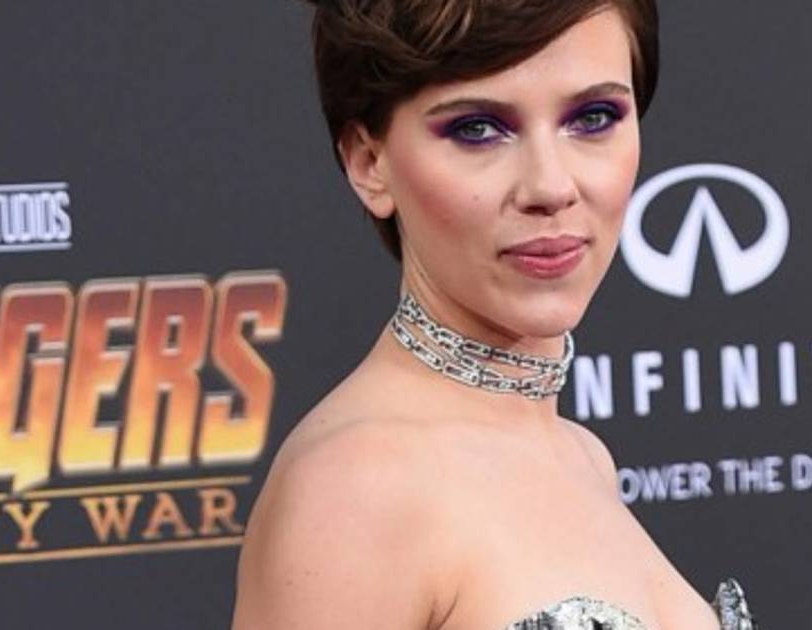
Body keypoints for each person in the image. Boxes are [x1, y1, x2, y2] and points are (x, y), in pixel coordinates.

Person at [232, 1, 756, 628]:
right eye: (478, 129)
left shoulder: (583, 456)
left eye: (593, 118)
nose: (550, 187)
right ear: (369, 163)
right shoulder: (355, 488)